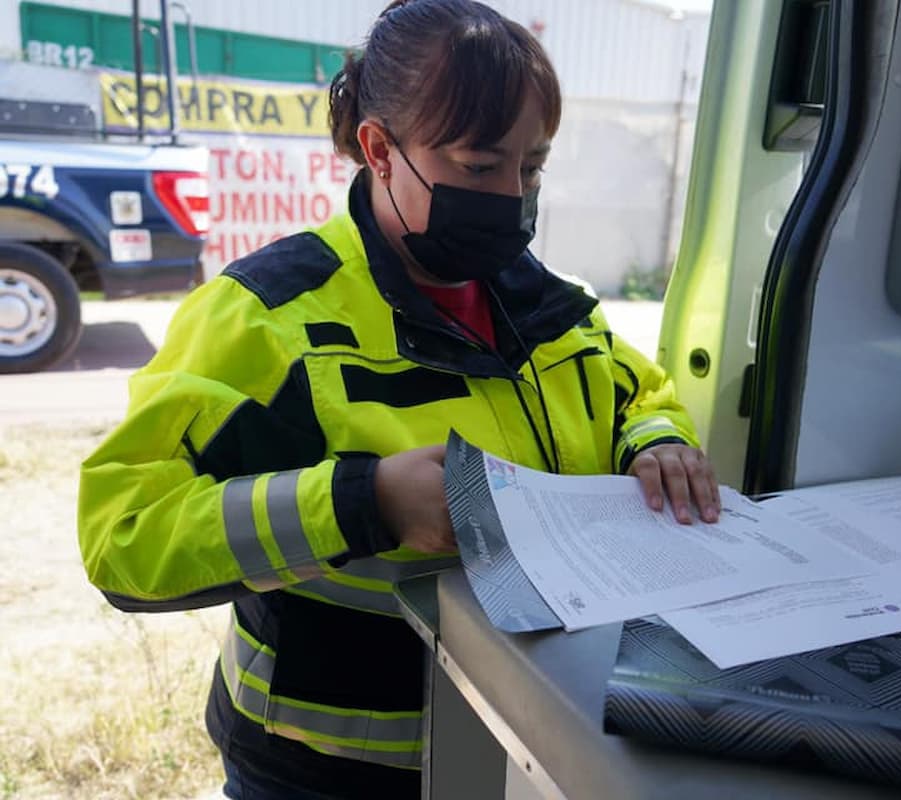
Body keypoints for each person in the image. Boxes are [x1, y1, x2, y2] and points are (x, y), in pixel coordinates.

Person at [77, 1, 719, 797]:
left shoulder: (550, 305)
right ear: (380, 149)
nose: (514, 196)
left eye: (534, 166)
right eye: (482, 167)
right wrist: (364, 503)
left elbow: (635, 394)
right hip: (326, 770)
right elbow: (126, 536)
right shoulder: (270, 319)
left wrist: (654, 442)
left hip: (526, 740)